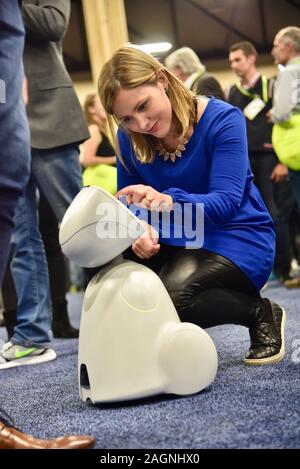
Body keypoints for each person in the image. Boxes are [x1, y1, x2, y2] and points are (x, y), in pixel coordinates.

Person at [98, 45, 286, 366]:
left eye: (144, 106)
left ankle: (260, 312)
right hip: (179, 235)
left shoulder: (223, 119)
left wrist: (170, 199)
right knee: (105, 272)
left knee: (173, 298)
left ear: (162, 80)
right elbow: (127, 202)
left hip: (236, 236)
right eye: (127, 117)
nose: (141, 123)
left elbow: (225, 204)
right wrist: (137, 228)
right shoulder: (128, 136)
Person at [0, 0, 94, 450]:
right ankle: (32, 335)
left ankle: (111, 318)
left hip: (51, 117)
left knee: (83, 226)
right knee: (22, 239)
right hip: (7, 118)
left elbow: (54, 22)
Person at [228, 41, 295, 282]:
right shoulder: (233, 92)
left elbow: (281, 121)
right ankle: (262, 270)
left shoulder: (270, 85)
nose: (234, 65)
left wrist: (281, 161)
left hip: (269, 157)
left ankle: (285, 268)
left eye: (238, 59)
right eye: (231, 61)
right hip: (244, 160)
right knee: (250, 216)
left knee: (275, 213)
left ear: (251, 58)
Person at [268, 26, 300, 288]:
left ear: (289, 47)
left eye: (277, 45)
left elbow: (281, 112)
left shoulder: (289, 72)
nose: (273, 50)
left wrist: (272, 115)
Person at [81, 93, 117, 195]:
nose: (106, 105)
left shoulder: (100, 130)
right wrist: (115, 159)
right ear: (91, 109)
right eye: (102, 102)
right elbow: (87, 160)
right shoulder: (93, 129)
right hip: (103, 184)